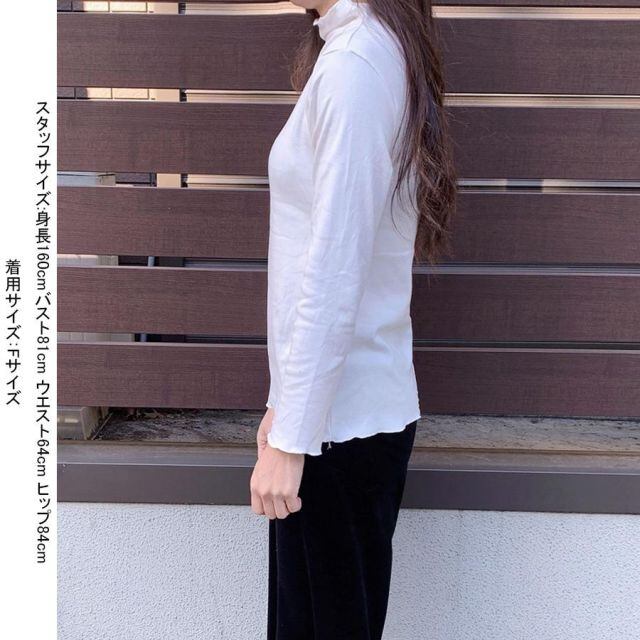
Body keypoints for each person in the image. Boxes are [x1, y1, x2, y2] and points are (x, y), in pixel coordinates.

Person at [250, 0, 457, 637]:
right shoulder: (358, 49)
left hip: (339, 430)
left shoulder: (355, 64)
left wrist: (293, 436)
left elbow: (335, 267)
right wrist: (285, 405)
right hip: (335, 422)